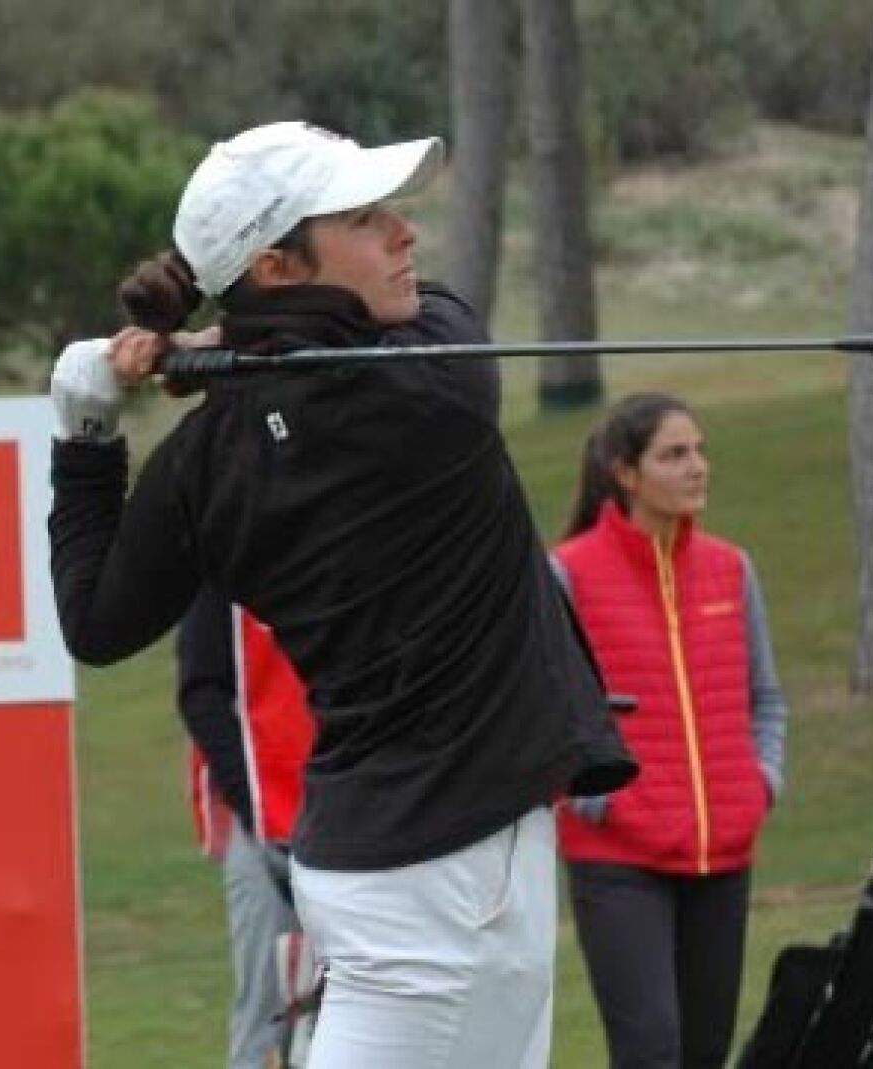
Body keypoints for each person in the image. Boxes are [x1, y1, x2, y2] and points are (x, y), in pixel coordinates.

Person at [46, 119, 636, 1069]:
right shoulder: (429, 386)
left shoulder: (205, 461)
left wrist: (86, 434)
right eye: (365, 219)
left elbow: (96, 619)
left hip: (388, 853)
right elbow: (435, 311)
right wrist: (234, 342)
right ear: (277, 266)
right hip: (443, 885)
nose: (405, 233)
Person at [551, 392, 789, 1069]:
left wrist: (759, 785)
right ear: (626, 472)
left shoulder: (731, 569)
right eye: (674, 454)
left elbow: (766, 699)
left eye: (699, 451)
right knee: (651, 1051)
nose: (697, 467)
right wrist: (599, 802)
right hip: (618, 862)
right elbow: (546, 714)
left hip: (723, 854)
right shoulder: (568, 573)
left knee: (704, 1054)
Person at [176, 590, 318, 1068]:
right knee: (267, 1011)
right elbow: (201, 691)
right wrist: (250, 799)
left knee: (368, 1004)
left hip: (359, 820)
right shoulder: (223, 572)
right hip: (263, 826)